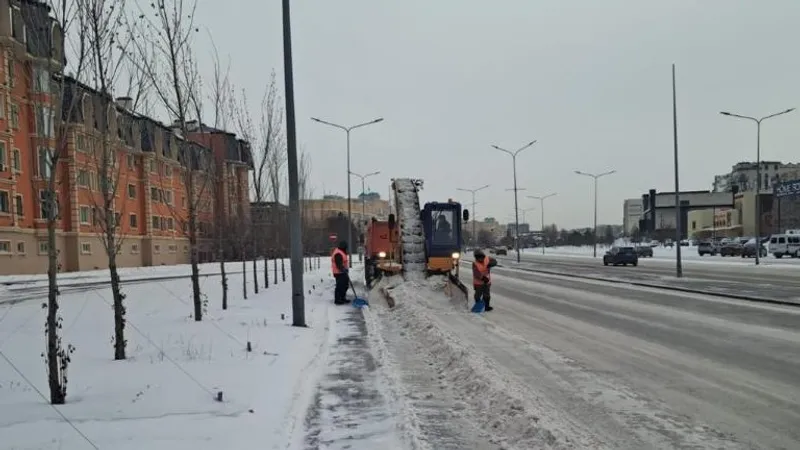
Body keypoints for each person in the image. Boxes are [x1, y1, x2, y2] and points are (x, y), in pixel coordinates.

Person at [331, 240, 351, 305]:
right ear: (343, 247)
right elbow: (339, 264)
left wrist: (345, 269)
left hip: (342, 272)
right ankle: (338, 300)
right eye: (345, 247)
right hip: (339, 273)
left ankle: (342, 298)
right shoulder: (338, 253)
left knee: (345, 285)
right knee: (340, 286)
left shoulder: (341, 252)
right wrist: (343, 269)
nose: (346, 248)